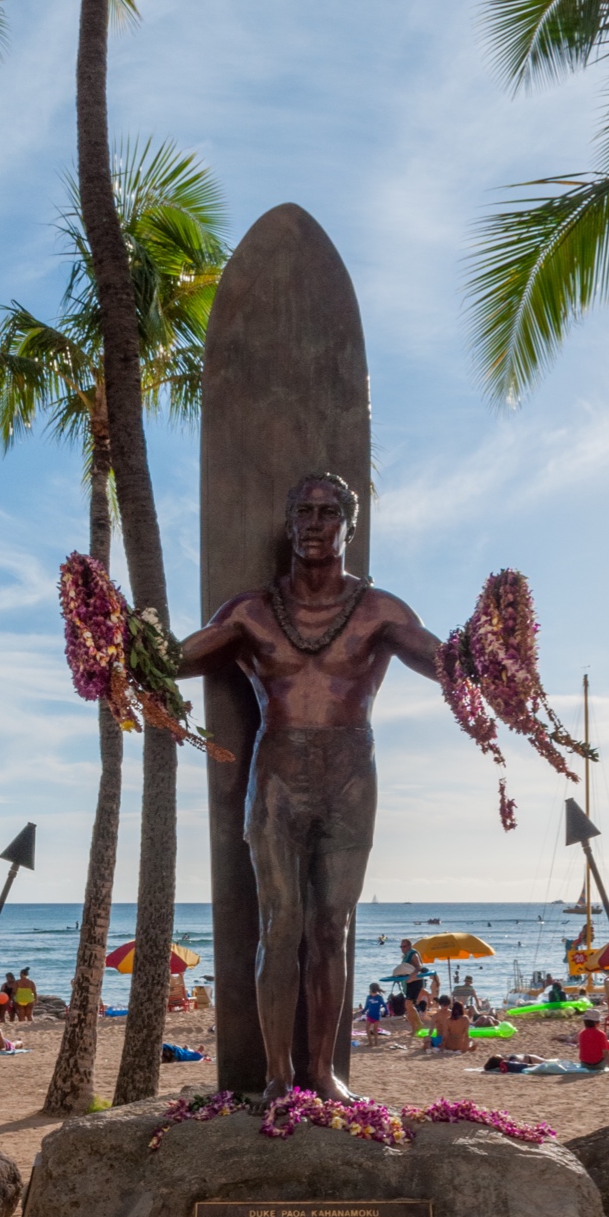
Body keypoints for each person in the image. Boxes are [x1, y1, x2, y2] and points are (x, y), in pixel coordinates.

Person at [176, 472, 443, 1103]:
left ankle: (322, 1071)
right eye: (304, 512)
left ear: (350, 526)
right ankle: (277, 1075)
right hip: (278, 778)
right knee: (281, 924)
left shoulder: (381, 611)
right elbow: (173, 661)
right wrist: (115, 642)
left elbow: (447, 664)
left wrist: (494, 653)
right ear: (289, 523)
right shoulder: (251, 611)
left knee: (333, 927)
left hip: (352, 776)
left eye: (329, 512)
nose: (316, 523)